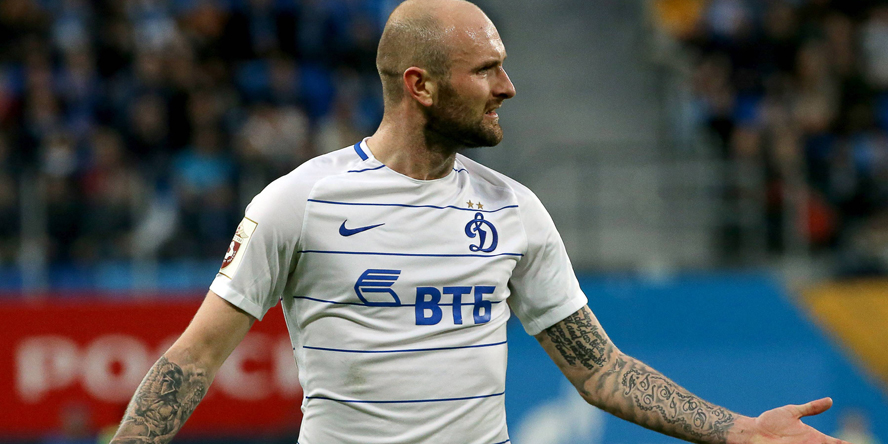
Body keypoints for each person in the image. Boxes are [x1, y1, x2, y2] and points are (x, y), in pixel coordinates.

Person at [111, 1, 851, 443]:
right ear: (420, 85)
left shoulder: (514, 210)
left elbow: (599, 369)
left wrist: (741, 431)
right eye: (486, 70)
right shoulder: (299, 203)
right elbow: (193, 360)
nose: (509, 86)